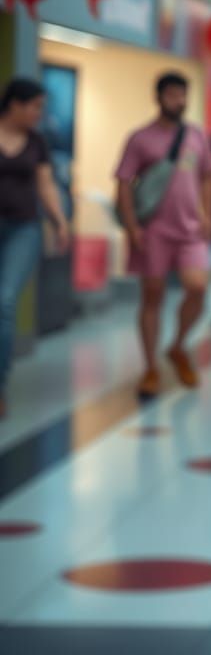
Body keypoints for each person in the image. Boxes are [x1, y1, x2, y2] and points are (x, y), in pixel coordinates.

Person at [115, 72, 211, 400]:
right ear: (158, 97)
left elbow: (208, 176)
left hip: (190, 230)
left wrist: (207, 213)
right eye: (173, 94)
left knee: (198, 287)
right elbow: (123, 184)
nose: (180, 101)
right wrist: (131, 227)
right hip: (153, 231)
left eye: (183, 95)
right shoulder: (140, 139)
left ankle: (176, 346)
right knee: (153, 296)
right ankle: (150, 368)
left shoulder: (196, 136)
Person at [0, 78, 70, 418]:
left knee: (5, 299)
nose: (39, 114)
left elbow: (46, 186)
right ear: (15, 104)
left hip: (22, 229)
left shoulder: (37, 142)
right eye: (35, 106)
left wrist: (59, 220)